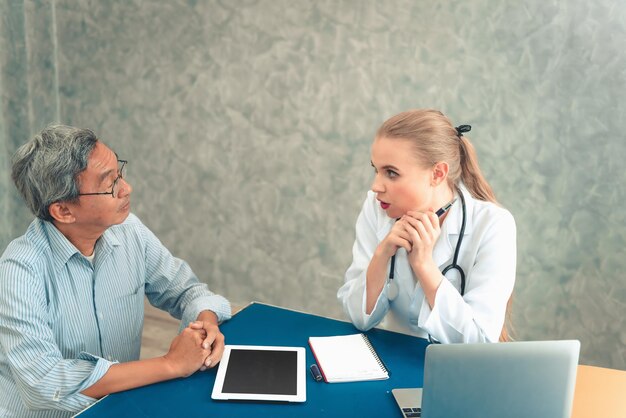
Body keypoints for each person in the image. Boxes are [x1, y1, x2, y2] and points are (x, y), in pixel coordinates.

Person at [0, 125, 231, 417]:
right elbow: (44, 383)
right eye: (109, 183)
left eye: (119, 172)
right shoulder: (20, 270)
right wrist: (170, 364)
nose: (126, 188)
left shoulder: (129, 231)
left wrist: (206, 324)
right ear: (63, 212)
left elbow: (187, 291)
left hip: (120, 405)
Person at [338, 109, 516, 344]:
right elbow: (359, 318)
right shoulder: (377, 208)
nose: (375, 186)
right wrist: (382, 253)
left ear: (437, 174)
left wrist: (423, 265)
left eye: (391, 173)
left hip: (456, 371)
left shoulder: (493, 225)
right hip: (394, 360)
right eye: (376, 169)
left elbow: (479, 342)